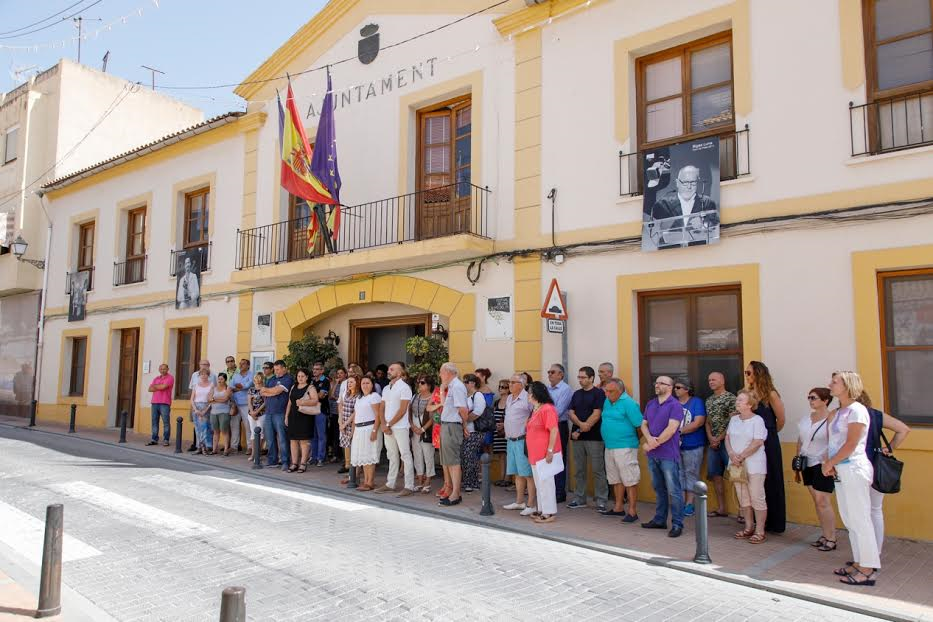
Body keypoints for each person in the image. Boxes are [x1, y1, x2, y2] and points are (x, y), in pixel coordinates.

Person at [824, 371, 879, 586]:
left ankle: (868, 569)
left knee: (861, 519)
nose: (830, 384)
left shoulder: (857, 411)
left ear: (847, 386)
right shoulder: (839, 412)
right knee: (849, 519)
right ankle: (859, 562)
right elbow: (833, 442)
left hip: (854, 468)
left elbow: (851, 444)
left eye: (835, 382)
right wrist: (830, 462)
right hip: (841, 469)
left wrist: (830, 462)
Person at [858, 390, 910, 554]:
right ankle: (876, 552)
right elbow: (903, 429)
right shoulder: (875, 415)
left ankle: (866, 554)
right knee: (875, 509)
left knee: (862, 511)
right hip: (876, 465)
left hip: (858, 466)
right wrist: (889, 448)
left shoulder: (846, 415)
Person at [640, 375, 685, 537]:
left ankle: (678, 523)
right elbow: (644, 424)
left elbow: (672, 429)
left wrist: (652, 443)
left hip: (668, 454)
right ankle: (660, 520)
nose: (657, 385)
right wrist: (649, 440)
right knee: (659, 489)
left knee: (674, 490)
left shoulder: (675, 405)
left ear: (670, 387)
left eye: (661, 383)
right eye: (656, 382)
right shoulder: (651, 403)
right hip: (653, 454)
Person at [745, 360, 786, 533]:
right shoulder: (748, 394)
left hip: (768, 440)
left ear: (758, 374)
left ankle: (774, 522)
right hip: (752, 441)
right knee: (755, 479)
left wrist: (769, 434)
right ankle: (756, 519)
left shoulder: (771, 394)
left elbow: (781, 419)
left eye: (749, 373)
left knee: (772, 478)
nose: (746, 376)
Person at [726, 390, 769, 544]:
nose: (737, 402)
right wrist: (731, 454)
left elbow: (757, 442)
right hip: (736, 464)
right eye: (737, 400)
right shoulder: (734, 420)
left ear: (750, 404)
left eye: (741, 400)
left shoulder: (757, 420)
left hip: (754, 465)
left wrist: (742, 456)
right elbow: (728, 438)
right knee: (743, 497)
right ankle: (748, 526)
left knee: (757, 497)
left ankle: (760, 530)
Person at [797, 387, 836, 551]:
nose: (810, 401)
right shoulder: (806, 419)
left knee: (823, 502)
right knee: (816, 501)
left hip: (822, 463)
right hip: (807, 462)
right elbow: (800, 439)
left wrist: (829, 461)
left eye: (813, 398)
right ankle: (825, 534)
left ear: (825, 400)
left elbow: (834, 441)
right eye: (809, 397)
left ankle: (831, 538)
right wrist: (797, 460)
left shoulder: (831, 419)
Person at [599, 378, 643, 522]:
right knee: (615, 478)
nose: (607, 394)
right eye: (606, 391)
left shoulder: (629, 403)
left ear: (620, 391)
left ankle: (632, 511)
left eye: (611, 391)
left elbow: (640, 426)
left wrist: (633, 442)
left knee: (629, 479)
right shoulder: (607, 401)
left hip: (625, 446)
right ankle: (618, 507)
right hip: (610, 446)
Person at [647, 164, 719, 248]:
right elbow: (652, 228)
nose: (689, 187)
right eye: (685, 182)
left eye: (693, 182)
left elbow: (714, 226)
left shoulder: (707, 202)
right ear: (677, 183)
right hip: (670, 252)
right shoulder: (662, 204)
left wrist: (703, 223)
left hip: (698, 251)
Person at [567, 366, 608, 510]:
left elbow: (597, 413)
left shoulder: (599, 394)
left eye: (583, 377)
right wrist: (579, 426)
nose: (580, 380)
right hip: (577, 437)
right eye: (579, 377)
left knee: (598, 469)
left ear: (591, 378)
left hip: (595, 437)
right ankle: (579, 498)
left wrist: (584, 427)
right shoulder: (576, 394)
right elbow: (571, 413)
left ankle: (601, 500)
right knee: (579, 469)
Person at [376, 362, 416, 497]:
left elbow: (403, 409)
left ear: (399, 373)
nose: (389, 371)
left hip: (400, 427)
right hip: (387, 426)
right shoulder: (387, 388)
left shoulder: (405, 388)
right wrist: (383, 424)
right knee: (391, 455)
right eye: (389, 369)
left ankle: (409, 486)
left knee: (405, 455)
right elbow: (382, 407)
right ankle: (390, 483)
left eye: (392, 369)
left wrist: (388, 424)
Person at [526, 381, 562, 524]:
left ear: (536, 394)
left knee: (546, 483)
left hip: (544, 453)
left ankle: (549, 512)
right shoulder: (536, 409)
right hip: (535, 453)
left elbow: (553, 430)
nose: (528, 395)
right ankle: (542, 509)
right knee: (539, 483)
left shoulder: (547, 409)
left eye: (530, 392)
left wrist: (550, 450)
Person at [502, 375, 537, 516]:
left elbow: (536, 413)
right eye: (509, 382)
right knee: (517, 473)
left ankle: (531, 504)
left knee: (527, 473)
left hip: (522, 440)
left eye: (512, 382)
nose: (509, 384)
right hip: (511, 440)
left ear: (521, 385)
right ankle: (519, 501)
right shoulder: (510, 398)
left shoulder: (527, 398)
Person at [704, 372, 737, 518]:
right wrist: (711, 438)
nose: (711, 382)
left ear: (722, 381)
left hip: (728, 443)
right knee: (715, 475)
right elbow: (707, 421)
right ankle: (721, 508)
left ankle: (742, 511)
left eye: (714, 379)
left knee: (735, 476)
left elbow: (733, 422)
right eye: (709, 379)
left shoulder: (731, 398)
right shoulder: (709, 400)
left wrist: (719, 438)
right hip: (713, 444)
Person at [674, 378, 706, 517]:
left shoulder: (696, 402)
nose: (675, 390)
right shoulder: (673, 403)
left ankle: (689, 504)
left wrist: (678, 432)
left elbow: (698, 422)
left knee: (691, 473)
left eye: (678, 387)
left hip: (693, 445)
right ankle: (680, 503)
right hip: (675, 445)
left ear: (687, 389)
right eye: (675, 387)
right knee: (678, 474)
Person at [438, 362, 469, 507]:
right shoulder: (451, 386)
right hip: (447, 425)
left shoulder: (457, 386)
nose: (440, 375)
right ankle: (453, 492)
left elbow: (462, 409)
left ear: (448, 373)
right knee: (449, 461)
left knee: (454, 461)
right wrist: (442, 390)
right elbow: (447, 407)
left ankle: (456, 493)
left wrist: (464, 426)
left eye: (441, 372)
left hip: (452, 426)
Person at [350, 376, 383, 491]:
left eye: (367, 383)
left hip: (370, 428)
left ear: (372, 385)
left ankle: (370, 482)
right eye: (363, 383)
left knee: (370, 456)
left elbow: (378, 415)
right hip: (359, 430)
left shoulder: (374, 397)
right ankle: (365, 481)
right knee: (364, 457)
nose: (365, 385)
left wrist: (374, 430)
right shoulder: (359, 398)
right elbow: (356, 416)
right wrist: (353, 432)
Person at [546, 363, 573, 503]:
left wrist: (543, 416)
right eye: (549, 372)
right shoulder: (546, 388)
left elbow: (559, 411)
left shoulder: (565, 389)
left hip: (559, 426)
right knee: (547, 458)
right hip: (545, 427)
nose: (549, 374)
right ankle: (549, 491)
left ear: (561, 374)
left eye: (553, 372)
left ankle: (559, 492)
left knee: (558, 458)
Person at [261, 360, 293, 470]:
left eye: (278, 369)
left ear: (284, 368)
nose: (276, 372)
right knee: (270, 438)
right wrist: (269, 391)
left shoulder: (288, 379)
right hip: (269, 412)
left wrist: (269, 391)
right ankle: (272, 460)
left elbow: (277, 391)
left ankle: (285, 461)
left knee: (283, 439)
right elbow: (262, 392)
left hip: (280, 412)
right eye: (275, 370)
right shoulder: (272, 379)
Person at [285, 369, 316, 473]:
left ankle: (303, 463)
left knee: (304, 441)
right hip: (293, 416)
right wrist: (286, 416)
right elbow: (289, 402)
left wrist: (303, 402)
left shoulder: (310, 387)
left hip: (305, 416)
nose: (300, 378)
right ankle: (294, 463)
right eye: (299, 376)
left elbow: (315, 401)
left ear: (307, 377)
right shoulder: (293, 386)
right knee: (293, 440)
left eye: (302, 376)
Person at [461, 374, 488, 493]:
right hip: (467, 430)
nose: (464, 384)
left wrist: (465, 422)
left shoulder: (478, 395)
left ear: (472, 383)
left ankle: (473, 482)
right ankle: (468, 481)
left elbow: (478, 412)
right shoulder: (466, 396)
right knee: (466, 456)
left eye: (466, 382)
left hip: (475, 431)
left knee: (469, 455)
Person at [410, 374, 437, 494]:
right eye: (418, 382)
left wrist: (423, 429)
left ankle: (428, 481)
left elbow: (433, 417)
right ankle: (420, 481)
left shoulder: (433, 397)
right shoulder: (415, 396)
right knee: (417, 455)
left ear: (429, 385)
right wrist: (412, 425)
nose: (419, 385)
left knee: (428, 455)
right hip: (415, 426)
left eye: (422, 383)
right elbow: (409, 412)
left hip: (426, 428)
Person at [187, 360, 216, 452]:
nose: (203, 376)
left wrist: (204, 410)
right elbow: (192, 398)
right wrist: (195, 409)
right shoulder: (196, 384)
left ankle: (207, 446)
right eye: (201, 374)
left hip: (206, 407)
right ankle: (199, 446)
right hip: (196, 406)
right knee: (197, 427)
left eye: (205, 374)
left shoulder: (211, 384)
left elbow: (212, 398)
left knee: (206, 427)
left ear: (208, 375)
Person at [337, 374, 361, 479]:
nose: (349, 384)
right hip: (343, 423)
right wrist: (340, 421)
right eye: (348, 382)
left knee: (354, 447)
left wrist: (346, 423)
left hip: (352, 424)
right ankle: (349, 469)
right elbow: (341, 406)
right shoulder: (346, 393)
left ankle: (354, 472)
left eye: (351, 382)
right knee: (346, 446)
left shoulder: (358, 396)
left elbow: (355, 413)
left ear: (357, 383)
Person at [309, 362, 331, 467]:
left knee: (321, 435)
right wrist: (313, 396)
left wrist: (311, 396)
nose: (314, 371)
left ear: (322, 370)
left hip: (321, 411)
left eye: (317, 369)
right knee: (312, 435)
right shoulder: (311, 381)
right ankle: (313, 457)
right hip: (310, 410)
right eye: (314, 369)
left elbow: (321, 396)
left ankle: (321, 458)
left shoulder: (325, 381)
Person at [147, 363, 174, 447]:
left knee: (166, 422)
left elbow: (163, 387)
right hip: (154, 402)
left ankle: (166, 439)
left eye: (164, 369)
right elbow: (149, 389)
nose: (163, 370)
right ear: (159, 370)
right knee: (154, 422)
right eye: (161, 369)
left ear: (167, 369)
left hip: (165, 403)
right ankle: (154, 439)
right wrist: (159, 386)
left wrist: (156, 386)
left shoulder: (170, 378)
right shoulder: (156, 378)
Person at [230, 359, 253, 454]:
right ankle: (234, 446)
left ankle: (250, 447)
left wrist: (239, 387)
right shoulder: (236, 375)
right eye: (240, 363)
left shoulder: (251, 374)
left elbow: (247, 386)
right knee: (234, 426)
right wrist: (239, 388)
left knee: (248, 425)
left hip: (246, 404)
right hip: (235, 403)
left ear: (248, 365)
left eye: (243, 364)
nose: (241, 365)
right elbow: (231, 387)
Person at [492, 379, 510, 487]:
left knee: (508, 454)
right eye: (500, 387)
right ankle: (502, 477)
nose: (501, 389)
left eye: (503, 387)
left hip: (507, 431)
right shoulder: (496, 402)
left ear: (508, 389)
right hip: (497, 432)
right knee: (500, 455)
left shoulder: (510, 401)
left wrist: (504, 425)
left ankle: (507, 478)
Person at [210, 373, 234, 455]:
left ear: (225, 380)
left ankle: (226, 449)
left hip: (224, 412)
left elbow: (225, 399)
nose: (220, 381)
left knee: (225, 431)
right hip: (214, 412)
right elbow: (209, 398)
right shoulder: (214, 388)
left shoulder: (228, 388)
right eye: (219, 379)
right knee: (215, 431)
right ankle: (214, 449)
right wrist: (217, 399)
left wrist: (214, 399)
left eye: (221, 379)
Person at [245, 372, 266, 459]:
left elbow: (265, 402)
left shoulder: (264, 389)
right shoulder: (251, 389)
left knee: (260, 433)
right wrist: (252, 412)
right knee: (253, 433)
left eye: (259, 382)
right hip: (251, 414)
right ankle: (253, 454)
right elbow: (249, 401)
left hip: (261, 414)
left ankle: (258, 453)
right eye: (255, 381)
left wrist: (257, 411)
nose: (257, 383)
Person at [330, 366, 347, 465]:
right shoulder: (337, 384)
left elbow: (338, 398)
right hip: (334, 412)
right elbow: (331, 395)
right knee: (335, 435)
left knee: (341, 434)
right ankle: (336, 454)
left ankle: (343, 456)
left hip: (343, 412)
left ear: (345, 374)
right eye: (338, 373)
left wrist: (337, 399)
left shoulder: (346, 384)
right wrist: (336, 383)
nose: (339, 375)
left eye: (341, 373)